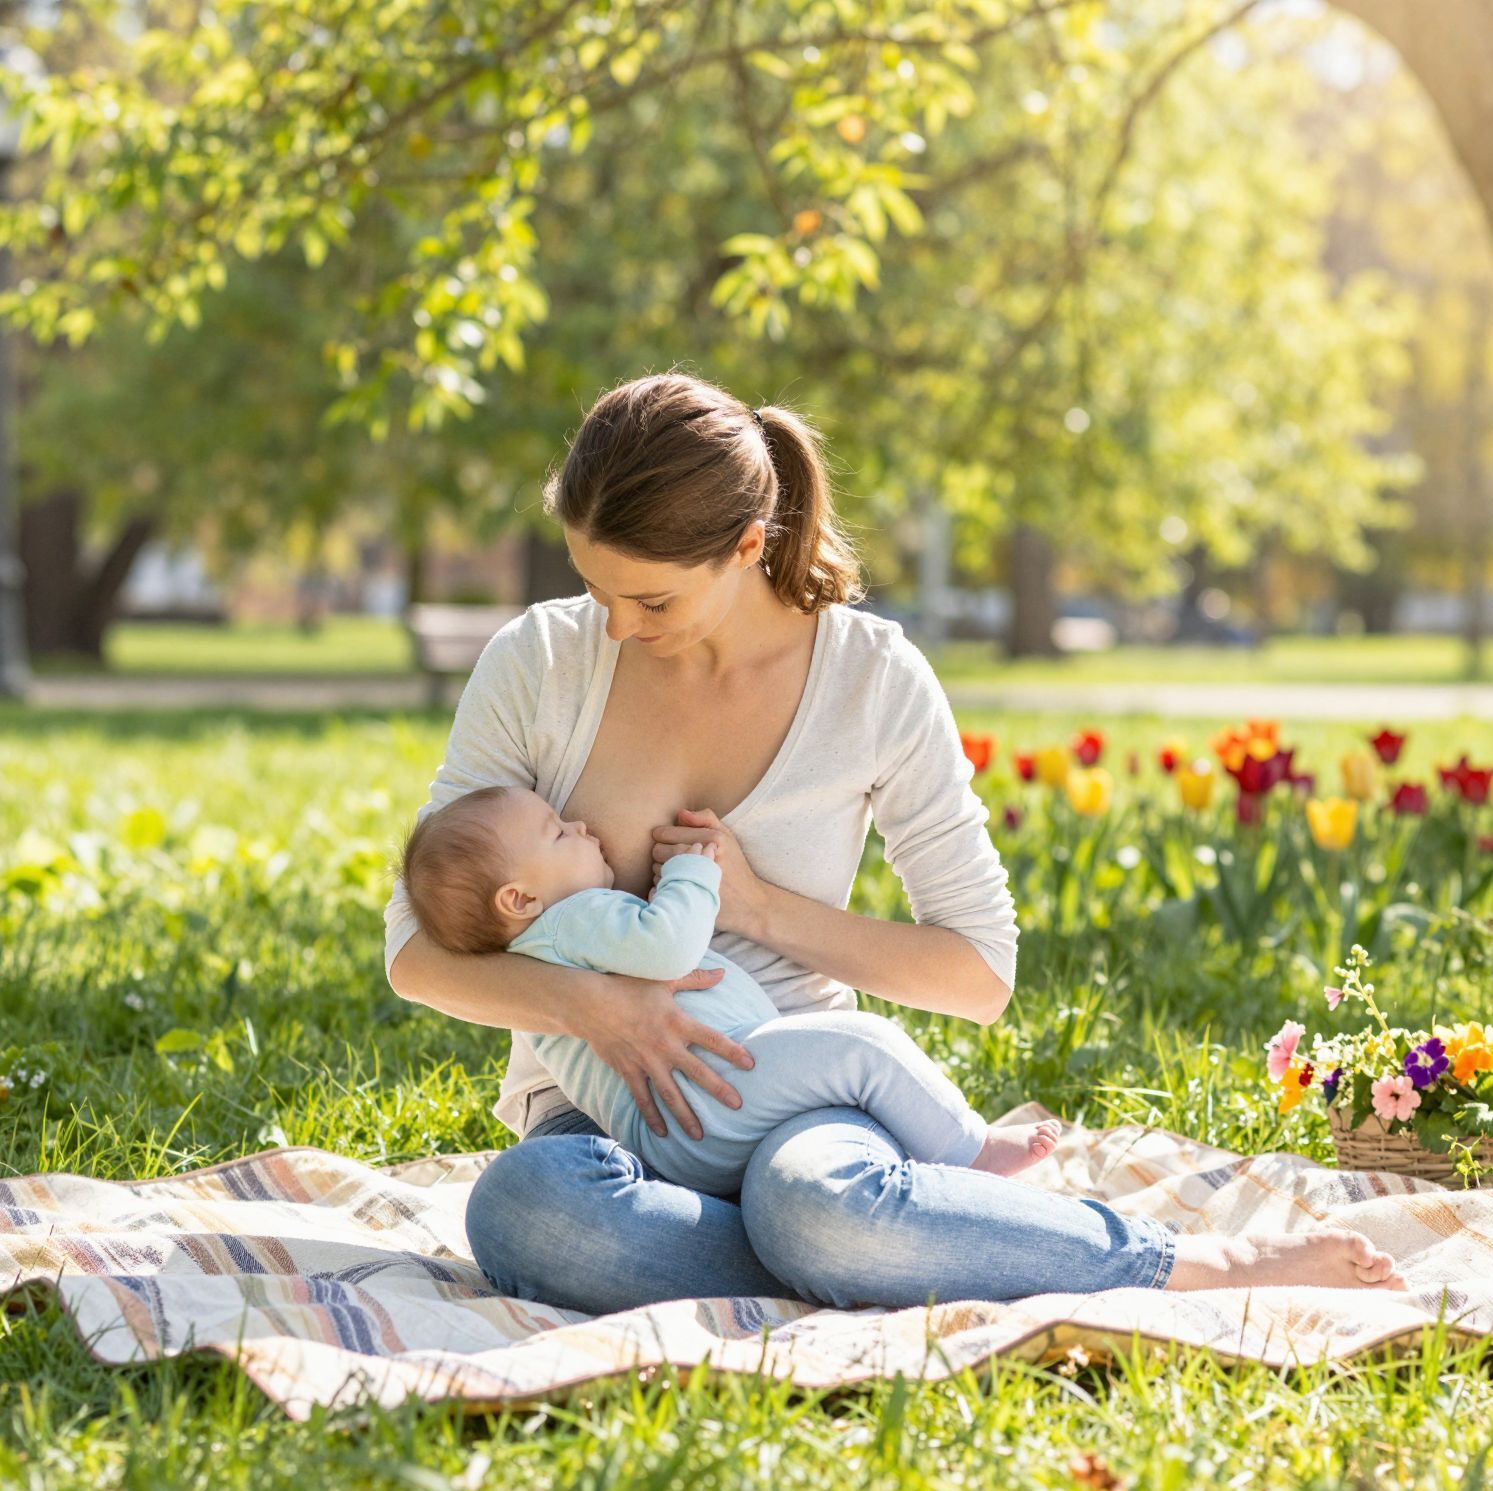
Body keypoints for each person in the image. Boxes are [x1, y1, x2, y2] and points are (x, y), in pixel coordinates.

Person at [386, 371, 1406, 1315]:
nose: (609, 626)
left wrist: (757, 910)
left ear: (747, 544)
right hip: (602, 1117)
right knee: (526, 1213)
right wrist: (593, 1007)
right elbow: (416, 950)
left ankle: (1181, 1266)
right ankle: (890, 1243)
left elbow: (977, 973)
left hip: (798, 1099)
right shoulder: (539, 661)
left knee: (814, 1201)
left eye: (648, 599)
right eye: (594, 588)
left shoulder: (870, 680)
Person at [397, 783, 1063, 1193]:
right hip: (708, 1096)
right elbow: (671, 945)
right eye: (557, 832)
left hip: (679, 1122)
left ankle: (866, 1202)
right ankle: (968, 1151)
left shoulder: (540, 951)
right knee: (860, 1045)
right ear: (519, 897)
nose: (580, 827)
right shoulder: (572, 922)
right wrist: (694, 870)